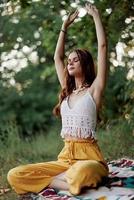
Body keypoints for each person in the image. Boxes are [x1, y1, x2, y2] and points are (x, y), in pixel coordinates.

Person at [7, 3, 109, 197]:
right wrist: (64, 26)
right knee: (15, 175)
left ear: (85, 64)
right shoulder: (67, 90)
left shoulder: (95, 89)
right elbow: (57, 58)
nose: (69, 62)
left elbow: (103, 48)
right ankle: (66, 182)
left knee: (83, 171)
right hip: (65, 158)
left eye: (75, 60)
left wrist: (95, 16)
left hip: (89, 158)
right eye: (69, 60)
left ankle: (60, 182)